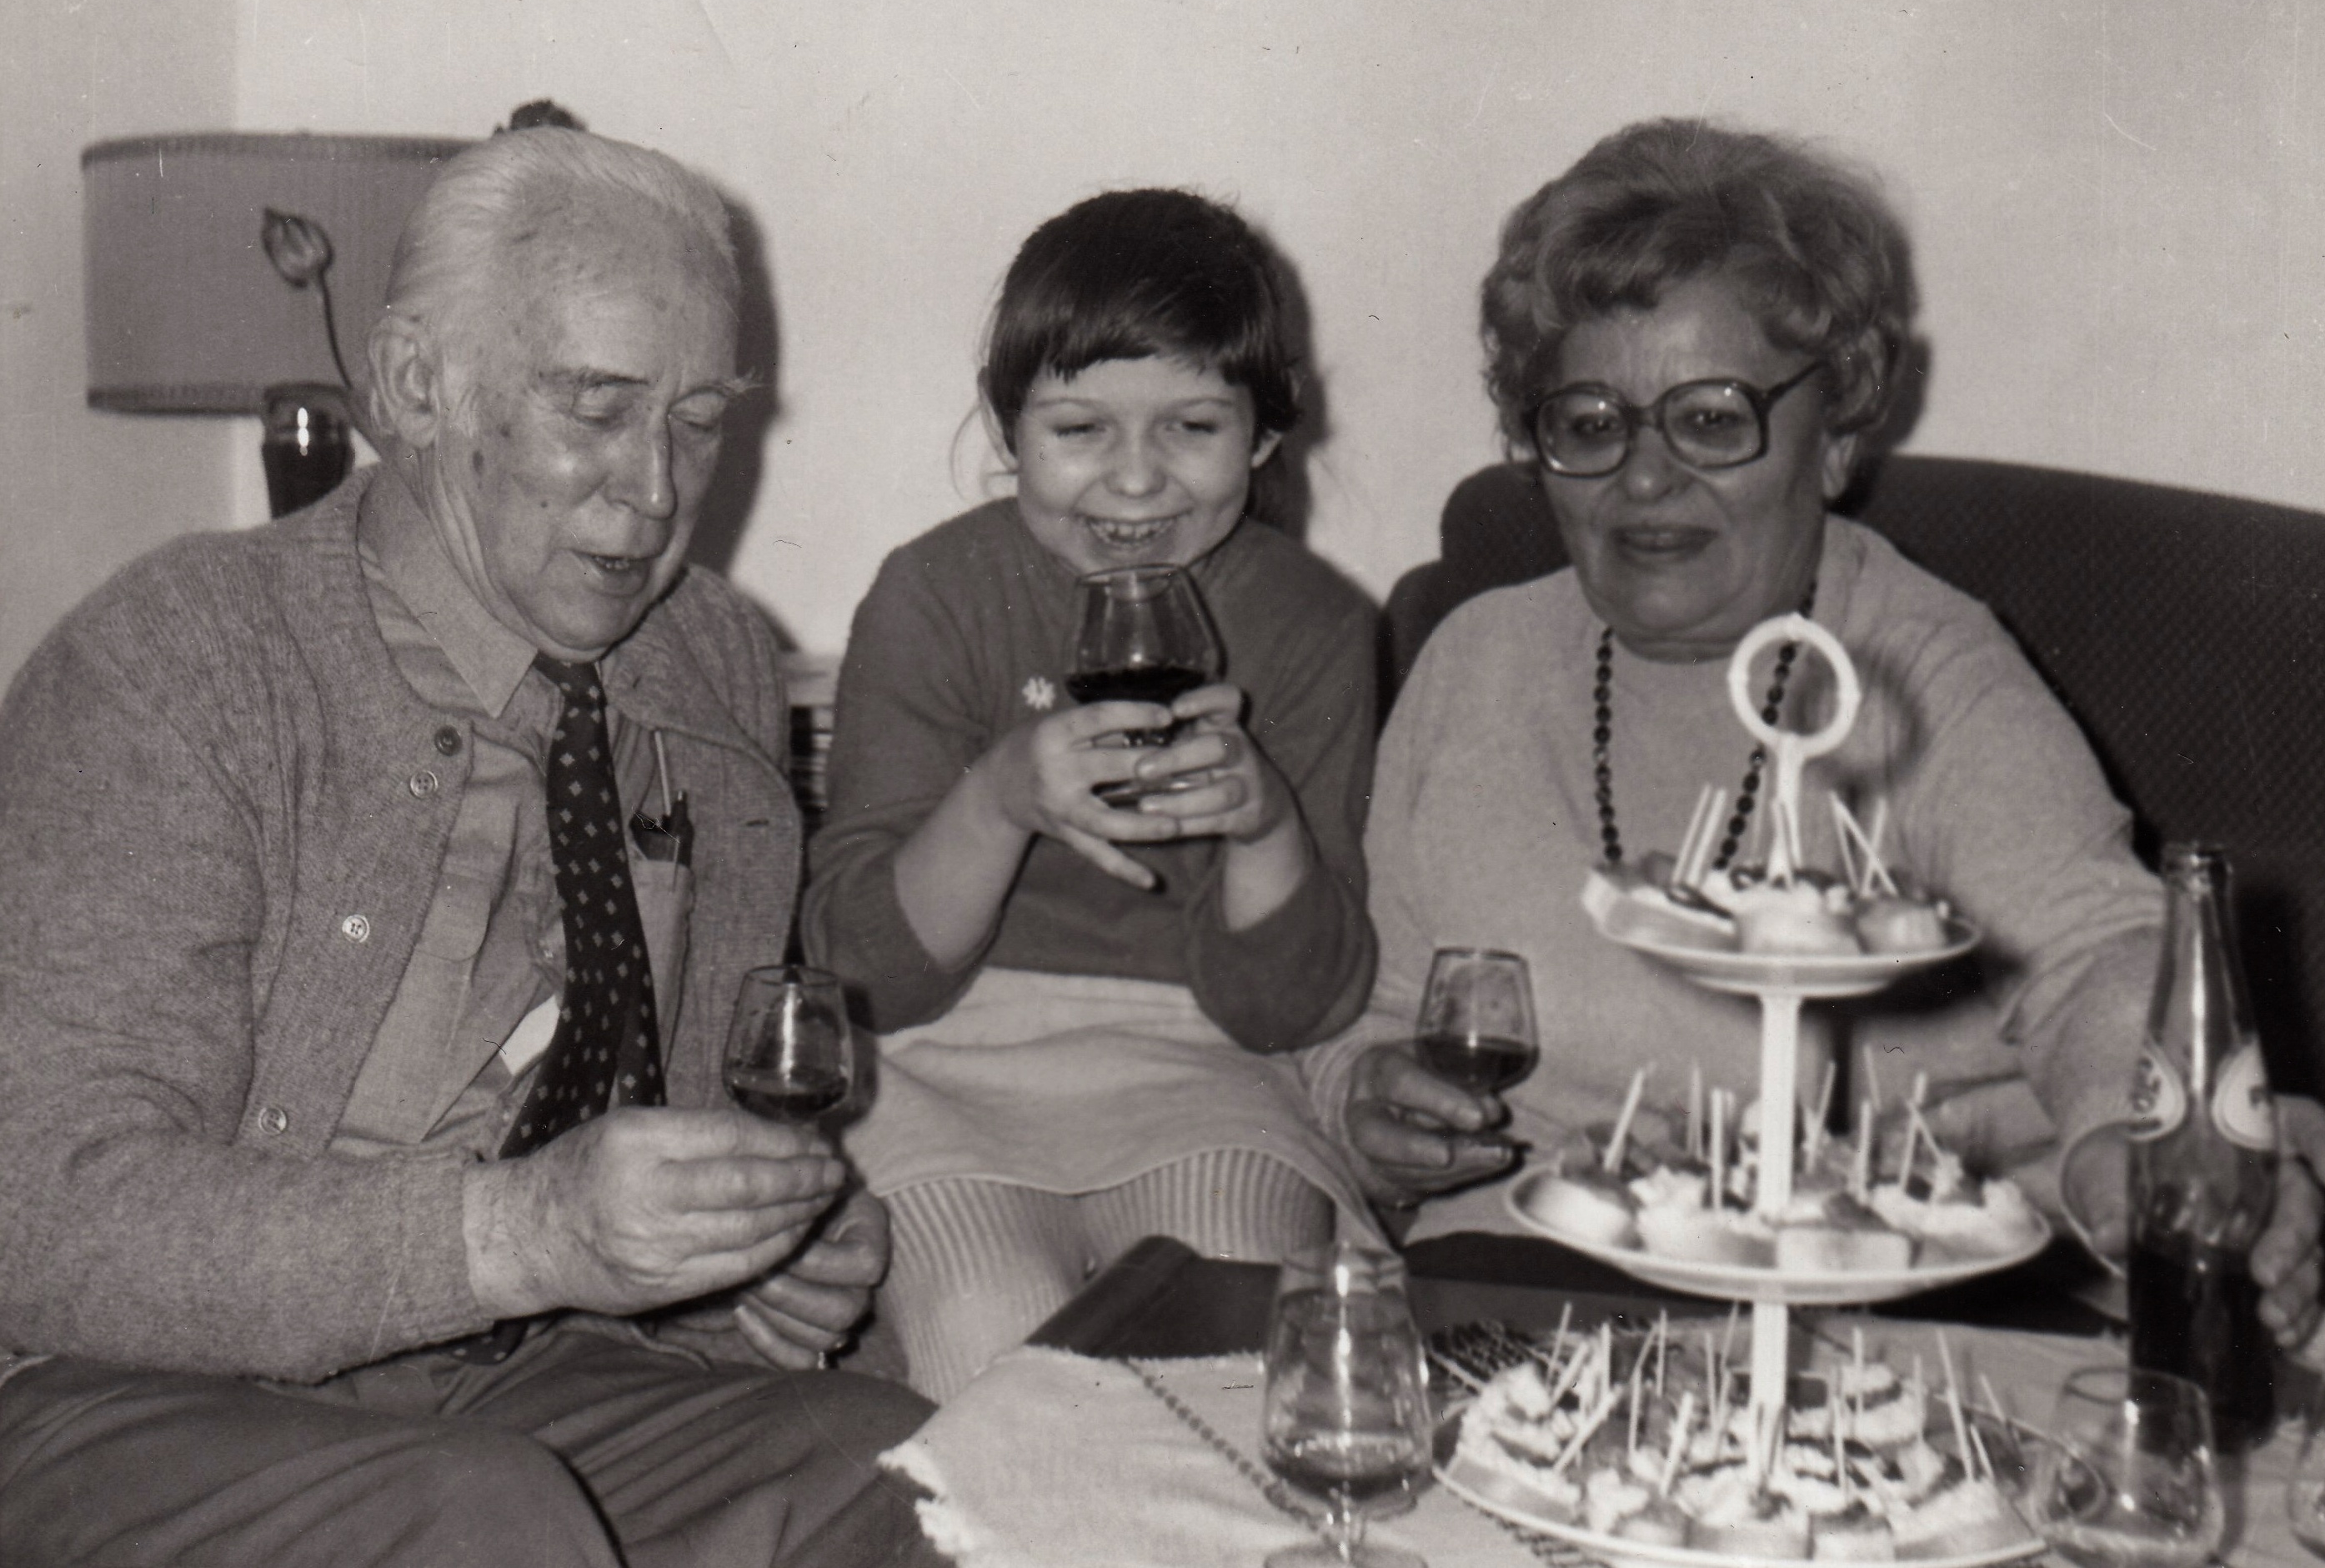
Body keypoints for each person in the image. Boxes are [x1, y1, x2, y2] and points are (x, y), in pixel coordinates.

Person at [0, 127, 944, 1567]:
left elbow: (674, 1100)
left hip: (526, 1373)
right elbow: (47, 1215)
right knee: (484, 1515)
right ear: (413, 386)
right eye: (595, 407)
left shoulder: (710, 658)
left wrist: (759, 1257)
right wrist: (519, 1235)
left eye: (698, 420)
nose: (655, 490)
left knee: (911, 1472)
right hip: (138, 1393)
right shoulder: (177, 662)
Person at [1302, 118, 2323, 1345]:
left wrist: (2130, 1135)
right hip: (1523, 1292)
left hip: (1883, 1306)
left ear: (1834, 438)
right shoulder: (1475, 661)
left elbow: (2097, 952)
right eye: (1590, 421)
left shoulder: (1913, 671)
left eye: (1711, 418)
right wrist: (1370, 1101)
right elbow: (1373, 1008)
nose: (1643, 479)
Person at [803, 188, 1379, 1401]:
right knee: (995, 1347)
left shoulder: (1315, 623)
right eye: (1079, 430)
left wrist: (1265, 822)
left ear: (1267, 430)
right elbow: (865, 975)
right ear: (1006, 426)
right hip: (941, 1067)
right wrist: (1000, 799)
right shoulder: (932, 595)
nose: (1134, 481)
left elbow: (1289, 1011)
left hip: (1204, 1073)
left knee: (1228, 1351)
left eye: (1192, 427)